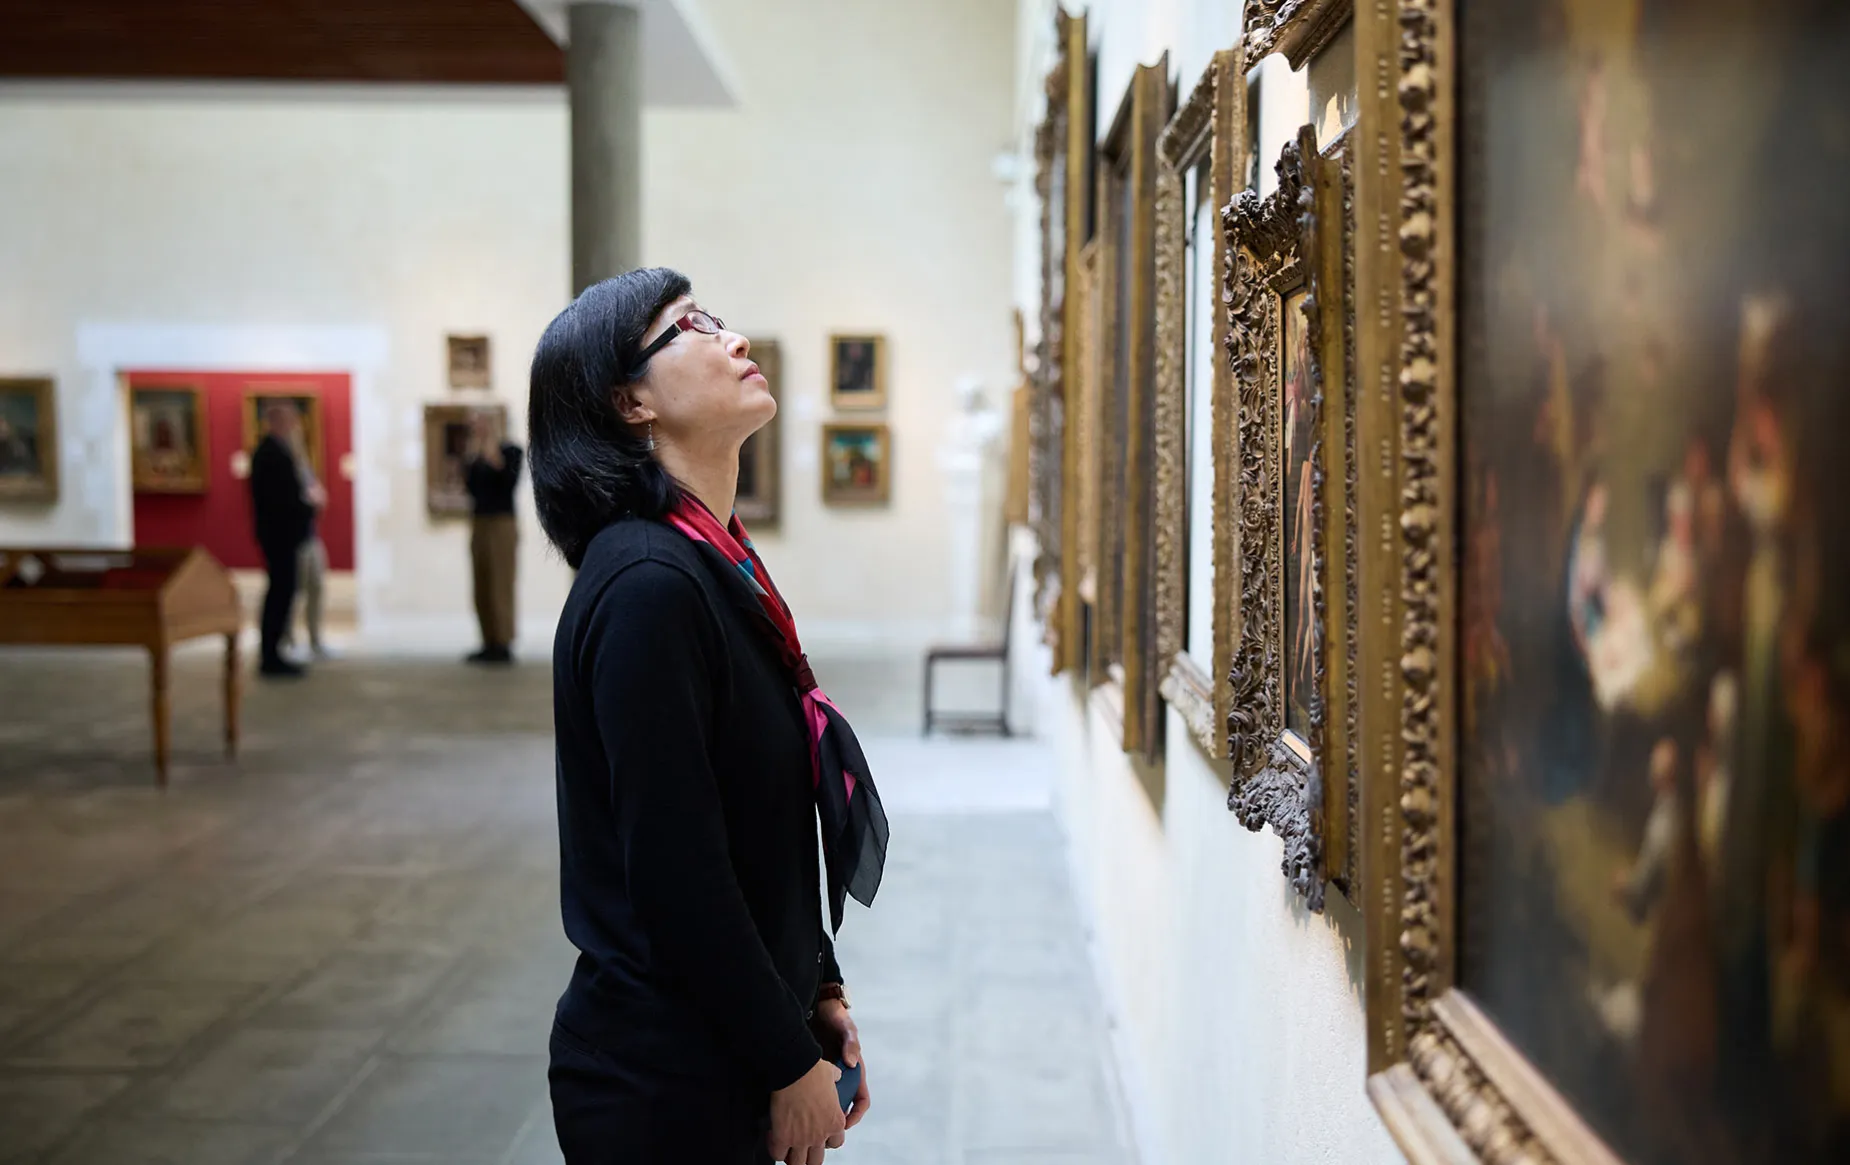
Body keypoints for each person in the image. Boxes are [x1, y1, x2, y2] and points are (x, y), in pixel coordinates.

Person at [529, 268, 889, 1165]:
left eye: (718, 317)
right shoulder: (648, 585)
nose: (733, 338)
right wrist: (784, 1062)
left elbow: (756, 825)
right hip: (661, 1083)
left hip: (721, 1046)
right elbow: (676, 871)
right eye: (688, 327)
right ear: (630, 400)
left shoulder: (715, 561)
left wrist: (816, 992)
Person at [249, 403, 320, 678]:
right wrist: (309, 507)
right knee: (279, 593)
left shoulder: (279, 451)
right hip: (279, 535)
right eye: (289, 420)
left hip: (284, 535)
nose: (294, 425)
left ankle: (274, 651)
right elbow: (282, 500)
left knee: (284, 592)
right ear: (276, 421)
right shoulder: (270, 454)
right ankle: (271, 655)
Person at [464, 412, 523, 664]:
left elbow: (508, 482)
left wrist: (491, 453)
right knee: (482, 582)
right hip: (480, 522)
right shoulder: (473, 455)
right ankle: (487, 640)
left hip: (502, 523)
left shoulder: (511, 451)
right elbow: (471, 489)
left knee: (501, 582)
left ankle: (503, 641)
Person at [285, 425, 332, 660]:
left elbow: (319, 496)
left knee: (317, 586)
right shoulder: (284, 467)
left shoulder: (304, 467)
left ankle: (316, 639)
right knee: (294, 590)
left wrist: (316, 499)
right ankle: (288, 639)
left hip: (311, 536)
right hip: (294, 539)